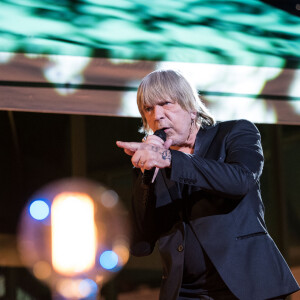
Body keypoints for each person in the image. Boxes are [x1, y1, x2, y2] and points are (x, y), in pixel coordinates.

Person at [116, 69, 299, 300]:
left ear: (191, 109)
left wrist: (170, 159)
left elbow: (241, 180)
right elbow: (141, 245)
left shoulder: (234, 133)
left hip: (246, 287)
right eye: (149, 109)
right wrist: (145, 179)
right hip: (186, 292)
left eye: (166, 104)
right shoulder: (154, 163)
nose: (157, 116)